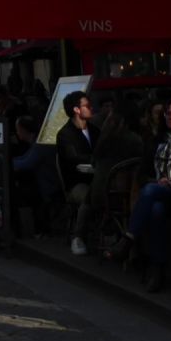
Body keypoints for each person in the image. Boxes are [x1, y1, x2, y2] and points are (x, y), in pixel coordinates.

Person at [106, 99, 171, 292]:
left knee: (152, 195)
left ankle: (129, 240)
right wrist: (157, 181)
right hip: (162, 194)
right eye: (169, 114)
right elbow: (142, 175)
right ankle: (157, 268)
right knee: (155, 208)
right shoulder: (157, 141)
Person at [56, 90, 98, 256]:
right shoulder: (65, 134)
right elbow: (72, 158)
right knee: (89, 195)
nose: (91, 108)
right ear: (76, 110)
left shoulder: (94, 130)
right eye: (87, 106)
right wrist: (95, 159)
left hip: (97, 178)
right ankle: (78, 236)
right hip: (76, 182)